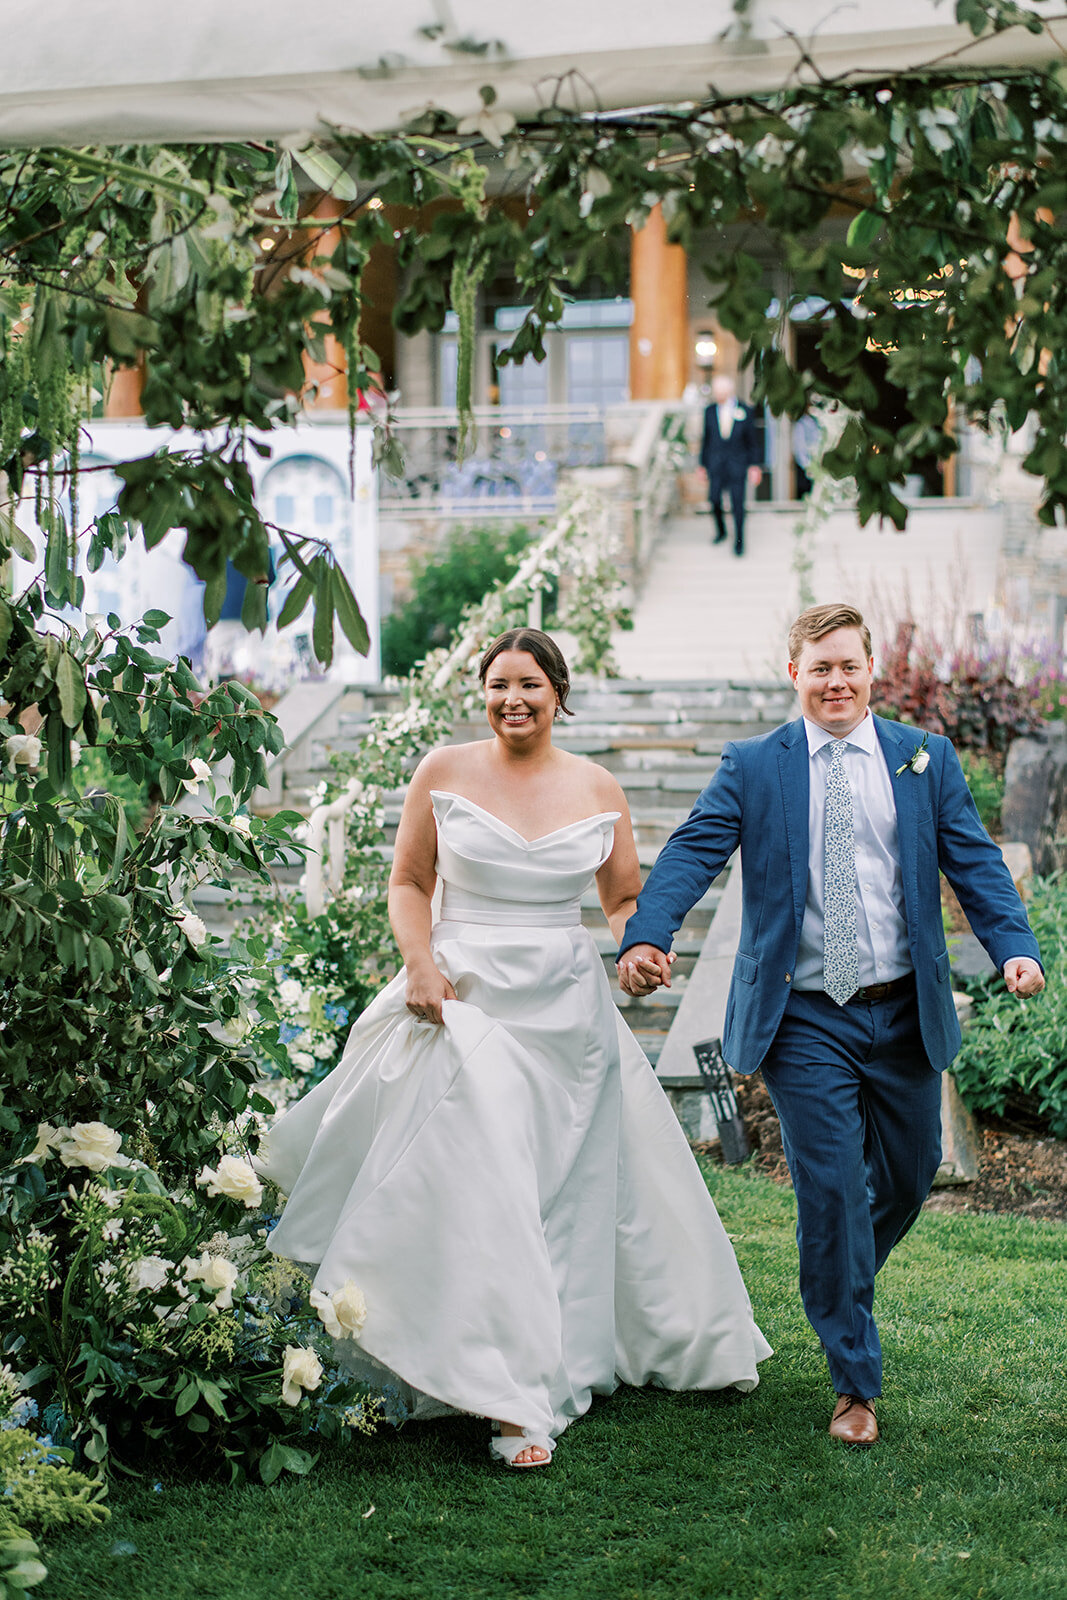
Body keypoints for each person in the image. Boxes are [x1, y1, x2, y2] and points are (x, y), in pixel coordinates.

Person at [258, 628, 770, 1469]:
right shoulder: (444, 770)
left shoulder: (595, 785)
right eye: (498, 684)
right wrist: (420, 967)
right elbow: (409, 882)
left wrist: (636, 950)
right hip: (458, 998)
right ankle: (483, 1382)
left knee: (555, 1194)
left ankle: (537, 1365)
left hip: (564, 1013)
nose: (512, 699)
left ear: (557, 691)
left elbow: (622, 899)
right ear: (483, 692)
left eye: (528, 684)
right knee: (474, 1179)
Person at [618, 603, 1043, 1446]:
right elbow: (692, 852)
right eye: (818, 668)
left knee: (914, 1169)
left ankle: (835, 1279)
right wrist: (645, 934)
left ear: (870, 669)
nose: (834, 681)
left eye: (847, 665)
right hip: (804, 1015)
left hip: (900, 1009)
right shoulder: (753, 766)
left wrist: (1012, 948)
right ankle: (854, 1383)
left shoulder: (924, 760)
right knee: (833, 1190)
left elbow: (973, 859)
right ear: (794, 675)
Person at [700, 373, 763, 555]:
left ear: (729, 391)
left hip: (738, 465)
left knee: (737, 504)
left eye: (720, 391)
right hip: (716, 464)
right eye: (716, 391)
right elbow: (706, 440)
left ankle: (739, 541)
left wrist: (754, 465)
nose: (717, 395)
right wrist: (702, 466)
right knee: (714, 499)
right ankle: (721, 531)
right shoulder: (709, 411)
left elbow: (752, 442)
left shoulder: (745, 410)